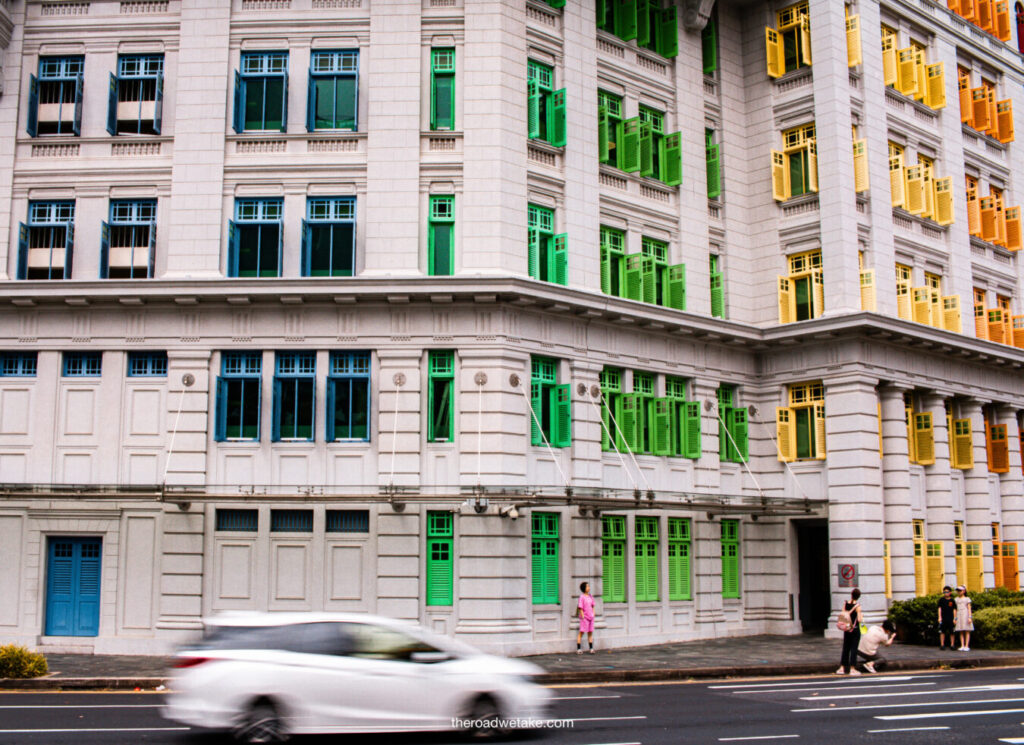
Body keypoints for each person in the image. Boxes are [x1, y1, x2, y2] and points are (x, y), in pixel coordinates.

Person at [837, 588, 862, 675]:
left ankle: (842, 668)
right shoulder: (857, 606)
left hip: (846, 629)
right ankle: (852, 668)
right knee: (853, 649)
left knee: (846, 648)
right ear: (858, 596)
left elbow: (843, 614)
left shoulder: (845, 603)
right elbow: (859, 619)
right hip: (854, 630)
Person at [576, 581, 595, 654]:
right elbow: (580, 607)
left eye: (588, 586)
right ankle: (578, 648)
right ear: (584, 588)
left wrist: (593, 613)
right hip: (585, 617)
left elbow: (593, 605)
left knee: (590, 632)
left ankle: (591, 648)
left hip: (591, 616)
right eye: (587, 586)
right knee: (582, 632)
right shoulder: (582, 597)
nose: (589, 587)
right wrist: (583, 616)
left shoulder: (590, 596)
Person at [954, 585, 973, 651]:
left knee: (967, 630)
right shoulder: (956, 599)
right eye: (958, 591)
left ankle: (967, 645)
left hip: (966, 614)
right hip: (959, 614)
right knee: (961, 630)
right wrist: (955, 618)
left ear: (964, 591)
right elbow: (955, 609)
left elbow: (969, 608)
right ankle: (962, 645)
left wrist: (970, 617)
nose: (959, 592)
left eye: (960, 590)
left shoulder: (967, 599)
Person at [937, 586, 956, 650]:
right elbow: (939, 608)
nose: (946, 593)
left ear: (950, 592)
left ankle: (952, 644)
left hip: (950, 618)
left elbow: (954, 609)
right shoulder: (941, 600)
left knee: (952, 632)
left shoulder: (952, 600)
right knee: (942, 631)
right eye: (944, 592)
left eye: (947, 592)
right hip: (943, 618)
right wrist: (939, 617)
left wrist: (955, 618)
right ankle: (942, 644)